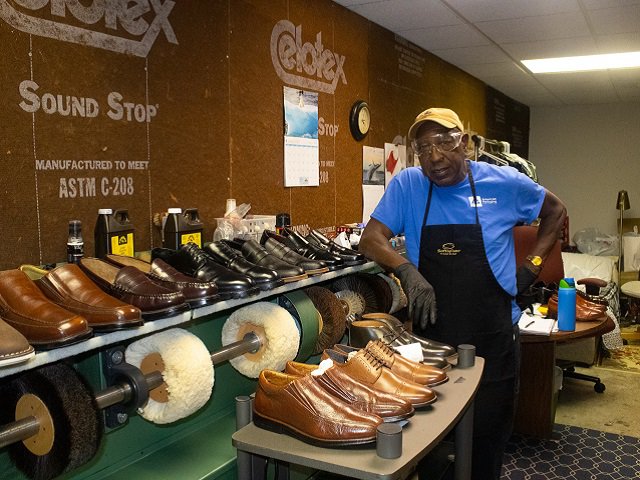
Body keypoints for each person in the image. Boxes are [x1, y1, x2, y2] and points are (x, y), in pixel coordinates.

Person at [359, 107, 566, 479]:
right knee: (429, 442)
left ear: (466, 144)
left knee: (487, 440)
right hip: (431, 340)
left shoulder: (504, 183)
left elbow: (555, 211)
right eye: (423, 148)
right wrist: (406, 270)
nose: (434, 157)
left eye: (444, 142)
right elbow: (370, 239)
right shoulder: (408, 185)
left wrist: (533, 265)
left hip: (493, 340)